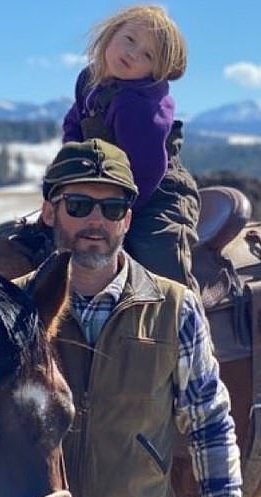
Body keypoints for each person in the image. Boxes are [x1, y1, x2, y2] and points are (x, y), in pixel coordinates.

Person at [25, 137, 242, 497]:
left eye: (113, 206)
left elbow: (209, 423)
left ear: (127, 218)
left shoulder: (176, 307)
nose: (94, 221)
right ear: (49, 211)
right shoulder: (14, 312)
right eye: (78, 205)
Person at [62, 4, 201, 293]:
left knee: (157, 252)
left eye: (148, 55)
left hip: (157, 193)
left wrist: (120, 211)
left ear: (155, 70)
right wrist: (66, 183)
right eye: (129, 39)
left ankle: (183, 318)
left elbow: (148, 169)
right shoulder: (90, 82)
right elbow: (74, 126)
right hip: (104, 187)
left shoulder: (140, 105)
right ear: (111, 34)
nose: (133, 53)